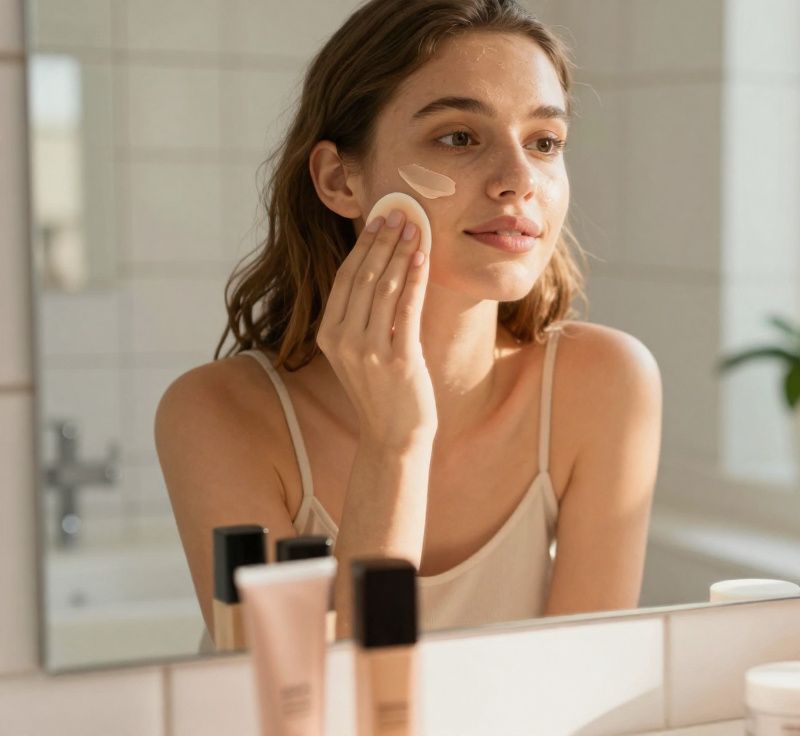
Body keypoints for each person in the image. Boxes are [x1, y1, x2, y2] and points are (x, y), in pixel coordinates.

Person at [157, 0, 661, 641]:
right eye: (458, 137)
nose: (519, 180)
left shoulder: (606, 384)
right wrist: (396, 442)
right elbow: (318, 708)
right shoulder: (218, 416)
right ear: (340, 179)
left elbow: (587, 686)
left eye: (544, 142)